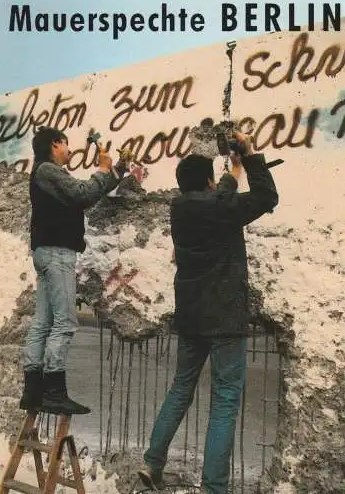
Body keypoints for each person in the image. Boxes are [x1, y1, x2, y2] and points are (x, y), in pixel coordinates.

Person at [138, 131, 279, 494]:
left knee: (181, 388)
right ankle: (214, 486)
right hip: (224, 317)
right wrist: (248, 156)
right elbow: (266, 197)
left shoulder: (179, 208)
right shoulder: (220, 208)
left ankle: (152, 462)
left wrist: (232, 174)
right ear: (207, 181)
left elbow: (219, 199)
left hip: (191, 315)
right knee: (225, 400)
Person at [20, 126, 129, 415]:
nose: (70, 152)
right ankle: (54, 392)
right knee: (65, 322)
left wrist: (114, 172)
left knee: (43, 323)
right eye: (66, 145)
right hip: (57, 253)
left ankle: (32, 392)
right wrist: (103, 169)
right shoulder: (48, 170)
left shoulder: (47, 174)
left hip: (48, 252)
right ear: (56, 144)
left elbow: (84, 194)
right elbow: (82, 194)